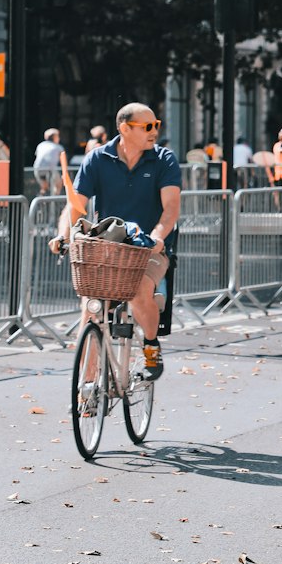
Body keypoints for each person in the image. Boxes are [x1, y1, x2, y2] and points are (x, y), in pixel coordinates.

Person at [48, 103, 181, 380]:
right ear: (124, 128)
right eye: (147, 127)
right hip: (107, 246)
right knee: (91, 308)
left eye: (156, 125)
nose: (154, 131)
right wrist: (63, 235)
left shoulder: (164, 159)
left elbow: (170, 209)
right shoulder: (97, 159)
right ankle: (87, 385)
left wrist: (157, 237)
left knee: (139, 290)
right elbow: (74, 207)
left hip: (148, 247)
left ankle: (150, 345)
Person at [33, 127, 65, 195]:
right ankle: (54, 200)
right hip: (50, 169)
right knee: (58, 184)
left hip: (37, 169)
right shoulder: (58, 147)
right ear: (55, 137)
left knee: (44, 187)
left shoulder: (40, 145)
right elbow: (63, 160)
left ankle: (41, 201)